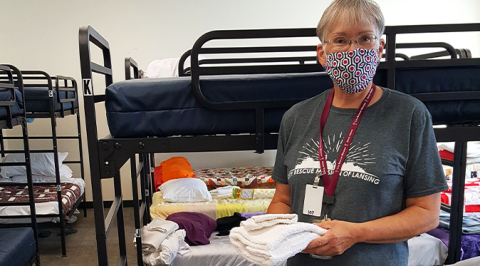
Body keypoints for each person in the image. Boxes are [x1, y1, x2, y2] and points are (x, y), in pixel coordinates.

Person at [267, 0, 448, 265]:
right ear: (322, 53)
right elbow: (282, 200)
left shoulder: (409, 115)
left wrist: (357, 233)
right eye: (340, 40)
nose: (353, 50)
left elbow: (427, 213)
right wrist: (274, 232)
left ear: (380, 48)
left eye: (365, 39)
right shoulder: (296, 117)